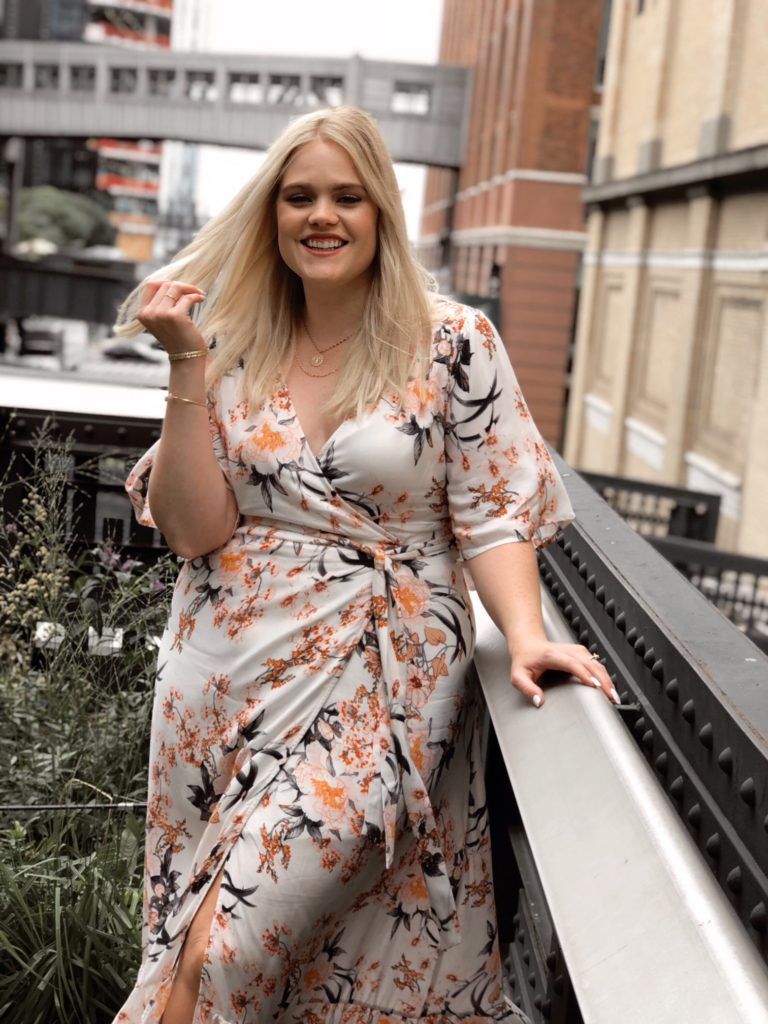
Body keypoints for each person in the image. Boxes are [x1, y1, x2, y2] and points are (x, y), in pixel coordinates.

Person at [112, 105, 615, 1024]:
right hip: (220, 680)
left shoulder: (453, 340)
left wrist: (529, 635)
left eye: (347, 196)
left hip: (382, 680)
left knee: (235, 944)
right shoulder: (231, 344)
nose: (322, 216)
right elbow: (193, 529)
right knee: (192, 937)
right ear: (272, 214)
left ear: (382, 208)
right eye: (298, 196)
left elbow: (493, 512)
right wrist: (185, 366)